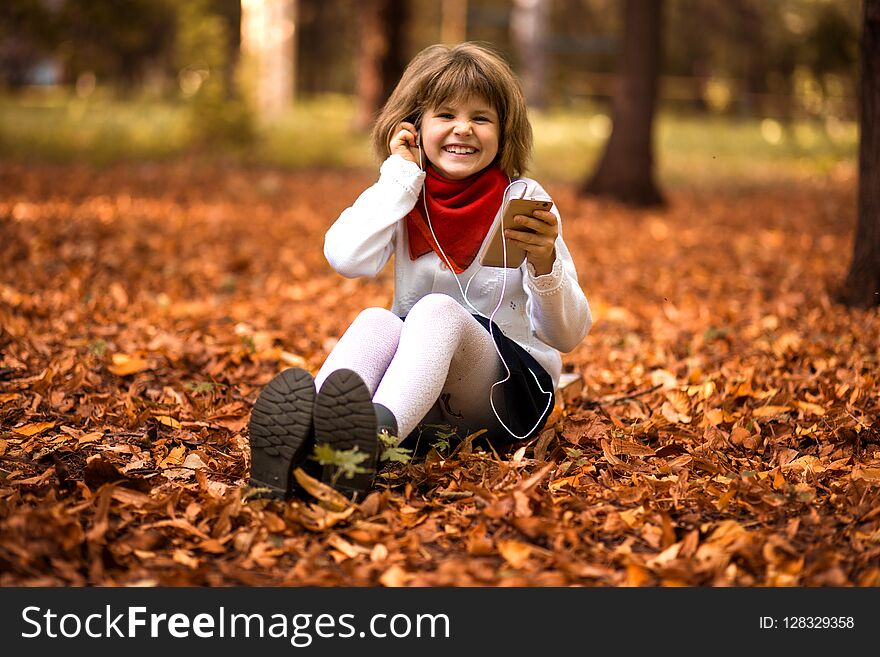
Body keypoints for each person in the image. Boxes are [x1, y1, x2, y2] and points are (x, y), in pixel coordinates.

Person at [248, 42, 592, 501]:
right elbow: (345, 257)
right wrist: (399, 177)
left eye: (481, 117)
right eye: (445, 115)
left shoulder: (524, 201)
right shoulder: (405, 192)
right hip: (416, 395)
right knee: (377, 319)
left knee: (436, 310)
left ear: (504, 130)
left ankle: (366, 445)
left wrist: (546, 263)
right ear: (413, 127)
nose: (463, 129)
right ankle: (307, 448)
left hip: (507, 395)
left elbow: (567, 336)